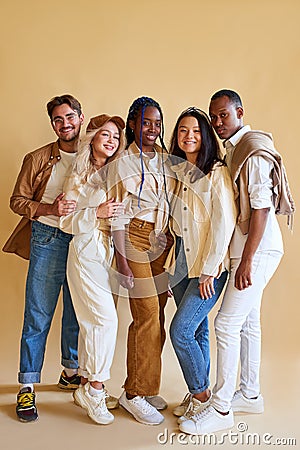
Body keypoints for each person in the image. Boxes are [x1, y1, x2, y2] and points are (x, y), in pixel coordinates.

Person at [180, 89, 295, 435]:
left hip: (255, 251)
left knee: (225, 326)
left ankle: (222, 407)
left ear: (240, 112)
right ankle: (250, 392)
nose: (217, 123)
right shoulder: (235, 150)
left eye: (223, 116)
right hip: (248, 251)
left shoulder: (251, 149)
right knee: (248, 323)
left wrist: (246, 262)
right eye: (213, 117)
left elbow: (261, 208)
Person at [3, 94, 84, 422]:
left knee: (77, 311)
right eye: (58, 120)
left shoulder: (94, 154)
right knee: (38, 312)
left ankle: (70, 371)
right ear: (53, 124)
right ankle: (27, 385)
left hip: (82, 242)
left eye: (70, 117)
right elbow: (17, 199)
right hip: (47, 239)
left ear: (80, 117)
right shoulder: (37, 158)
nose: (65, 124)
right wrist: (50, 209)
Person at [164, 107, 236, 423]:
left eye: (195, 130)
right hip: (181, 260)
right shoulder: (178, 173)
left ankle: (203, 397)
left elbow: (224, 223)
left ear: (205, 136)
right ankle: (198, 391)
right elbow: (174, 226)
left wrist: (211, 268)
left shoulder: (216, 173)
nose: (189, 136)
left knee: (180, 330)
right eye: (182, 130)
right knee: (197, 329)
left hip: (209, 262)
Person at [108, 96, 174, 425]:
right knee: (146, 312)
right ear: (132, 123)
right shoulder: (122, 162)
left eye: (157, 123)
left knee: (158, 314)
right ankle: (133, 393)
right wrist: (121, 260)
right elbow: (117, 216)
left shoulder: (165, 158)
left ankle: (145, 386)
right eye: (146, 122)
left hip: (160, 238)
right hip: (133, 236)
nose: (152, 128)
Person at [60, 114, 125, 425]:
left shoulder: (112, 174)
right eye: (105, 135)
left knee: (91, 323)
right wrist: (95, 212)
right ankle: (96, 391)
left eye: (115, 136)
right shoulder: (78, 173)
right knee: (105, 320)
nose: (111, 141)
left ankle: (86, 385)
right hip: (84, 251)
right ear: (93, 138)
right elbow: (65, 222)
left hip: (103, 253)